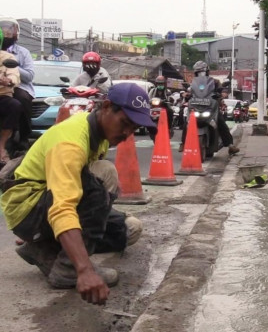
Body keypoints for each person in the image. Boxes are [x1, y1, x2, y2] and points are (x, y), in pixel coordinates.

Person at [1, 82, 156, 305]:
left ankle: (41, 247)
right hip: (28, 206)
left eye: (133, 128)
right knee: (97, 188)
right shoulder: (70, 143)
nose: (127, 133)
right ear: (106, 107)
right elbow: (63, 206)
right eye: (125, 123)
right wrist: (85, 269)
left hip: (44, 201)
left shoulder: (98, 132)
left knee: (128, 230)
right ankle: (67, 270)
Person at [178, 61, 240, 155]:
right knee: (187, 121)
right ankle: (183, 143)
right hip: (196, 106)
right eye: (198, 72)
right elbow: (188, 90)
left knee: (221, 122)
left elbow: (222, 89)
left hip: (210, 107)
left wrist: (223, 92)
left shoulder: (214, 82)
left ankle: (230, 145)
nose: (201, 74)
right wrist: (185, 93)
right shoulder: (193, 83)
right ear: (195, 73)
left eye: (202, 72)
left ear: (207, 72)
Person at [0, 17, 34, 155]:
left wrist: (10, 70)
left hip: (18, 87)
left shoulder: (22, 53)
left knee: (21, 98)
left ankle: (24, 136)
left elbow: (30, 76)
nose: (7, 32)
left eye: (10, 29)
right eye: (3, 29)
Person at [0, 28, 22, 166]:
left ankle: (1, 146)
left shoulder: (7, 58)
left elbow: (14, 76)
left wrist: (8, 81)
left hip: (2, 96)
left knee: (16, 105)